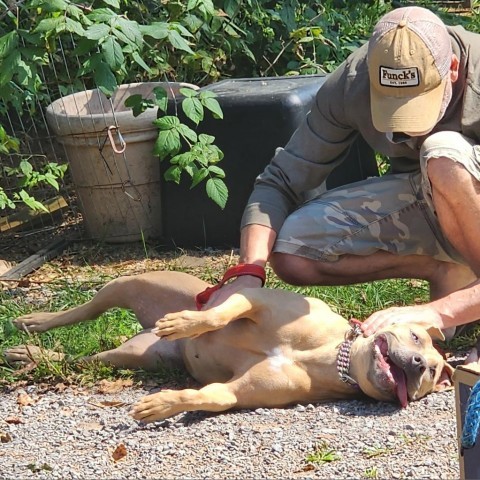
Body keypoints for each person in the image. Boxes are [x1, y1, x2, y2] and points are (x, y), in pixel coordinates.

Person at [201, 6, 480, 345]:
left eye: (418, 103)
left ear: (452, 68)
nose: (405, 126)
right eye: (392, 105)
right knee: (292, 250)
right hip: (430, 197)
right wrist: (248, 272)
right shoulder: (352, 83)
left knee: (441, 152)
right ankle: (450, 272)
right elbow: (280, 181)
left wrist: (439, 312)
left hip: (458, 181)